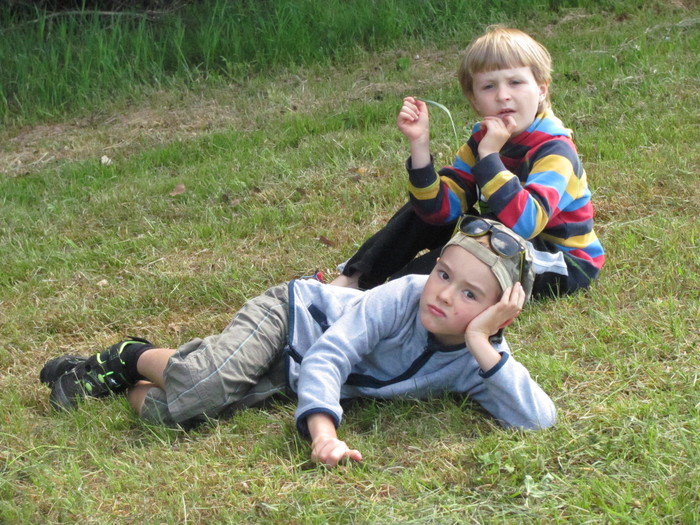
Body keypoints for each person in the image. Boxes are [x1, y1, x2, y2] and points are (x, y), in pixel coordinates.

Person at [39, 217, 555, 468]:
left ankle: (126, 378)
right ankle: (128, 355)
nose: (442, 294)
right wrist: (323, 434)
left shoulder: (477, 358)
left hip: (289, 375)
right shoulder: (404, 296)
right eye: (443, 274)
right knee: (208, 382)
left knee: (175, 413)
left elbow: (538, 419)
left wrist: (480, 343)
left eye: (470, 294)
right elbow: (331, 354)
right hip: (290, 320)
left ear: (501, 312)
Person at [331, 25, 605, 299]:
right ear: (475, 101)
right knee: (425, 216)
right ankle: (352, 281)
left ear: (541, 89)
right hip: (500, 237)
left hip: (561, 261)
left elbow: (526, 223)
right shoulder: (482, 141)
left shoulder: (555, 150)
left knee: (480, 241)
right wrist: (420, 145)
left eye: (516, 82)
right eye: (489, 86)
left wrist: (489, 157)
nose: (503, 95)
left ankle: (382, 299)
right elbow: (439, 212)